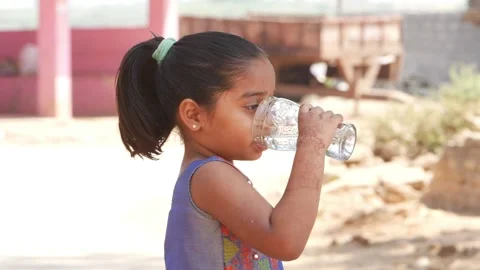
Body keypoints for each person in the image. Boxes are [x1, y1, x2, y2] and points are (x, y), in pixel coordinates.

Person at [115, 31, 344, 270]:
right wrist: (312, 146)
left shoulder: (214, 172)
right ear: (194, 115)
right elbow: (285, 241)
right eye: (253, 106)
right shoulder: (209, 175)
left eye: (270, 104)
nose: (269, 120)